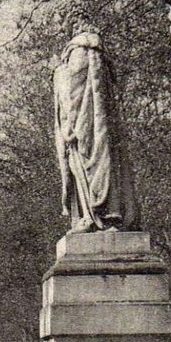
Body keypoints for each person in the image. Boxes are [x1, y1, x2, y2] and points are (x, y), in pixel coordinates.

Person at [52, 24, 137, 234]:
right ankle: (107, 214)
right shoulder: (100, 58)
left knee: (84, 164)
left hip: (82, 130)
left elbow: (73, 97)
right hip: (104, 132)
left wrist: (68, 128)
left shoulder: (75, 56)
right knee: (106, 162)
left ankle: (94, 216)